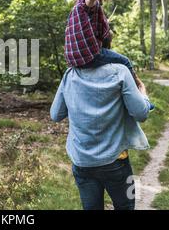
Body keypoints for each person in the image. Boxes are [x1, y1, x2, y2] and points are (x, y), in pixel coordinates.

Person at [50, 63, 152, 210]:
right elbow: (141, 114)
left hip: (82, 162)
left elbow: (55, 115)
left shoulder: (70, 74)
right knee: (127, 206)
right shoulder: (120, 71)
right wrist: (143, 94)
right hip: (116, 161)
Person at [64, 0, 154, 110]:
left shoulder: (81, 8)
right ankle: (138, 94)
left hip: (77, 59)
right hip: (90, 56)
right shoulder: (86, 4)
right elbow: (87, 3)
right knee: (125, 61)